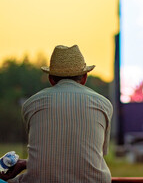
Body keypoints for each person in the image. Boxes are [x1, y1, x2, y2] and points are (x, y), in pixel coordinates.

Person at [2, 45, 113, 183]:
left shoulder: (31, 104)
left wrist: (26, 163)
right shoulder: (103, 104)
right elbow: (95, 154)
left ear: (51, 79)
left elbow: (46, 153)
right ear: (84, 78)